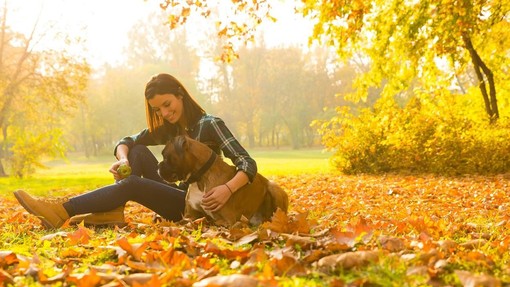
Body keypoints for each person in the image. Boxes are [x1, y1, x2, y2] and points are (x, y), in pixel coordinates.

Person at [13, 73, 257, 229]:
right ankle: (112, 212)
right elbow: (126, 141)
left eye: (167, 104)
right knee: (137, 151)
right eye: (158, 110)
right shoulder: (168, 129)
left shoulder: (210, 124)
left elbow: (246, 162)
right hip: (175, 192)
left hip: (194, 204)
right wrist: (122, 159)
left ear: (180, 95)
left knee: (132, 185)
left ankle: (62, 211)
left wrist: (227, 189)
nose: (165, 113)